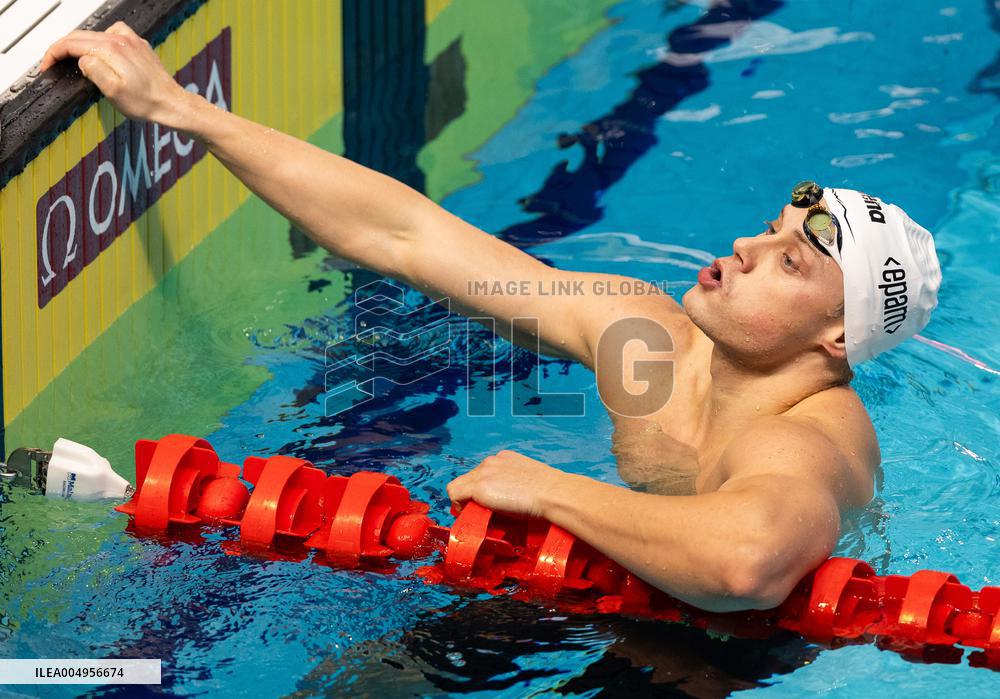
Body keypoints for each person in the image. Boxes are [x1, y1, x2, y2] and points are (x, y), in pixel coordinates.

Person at [40, 22, 941, 613]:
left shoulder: (808, 441)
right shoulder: (645, 339)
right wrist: (182, 112)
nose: (745, 244)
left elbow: (748, 564)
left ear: (838, 338)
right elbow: (405, 233)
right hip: (597, 593)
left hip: (734, 661)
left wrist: (549, 487)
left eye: (789, 261)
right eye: (773, 228)